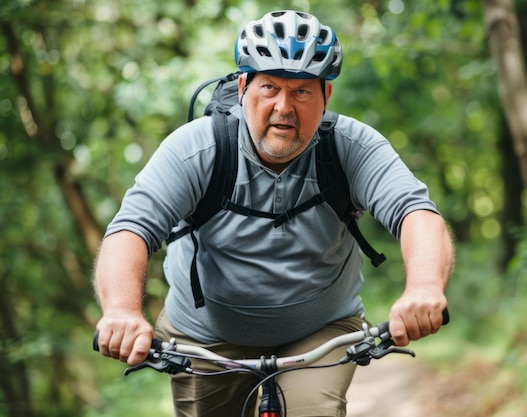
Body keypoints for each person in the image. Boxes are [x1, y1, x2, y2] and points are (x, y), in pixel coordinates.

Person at [93, 9, 453, 417]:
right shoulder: (196, 149)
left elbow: (415, 212)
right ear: (244, 87)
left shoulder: (351, 147)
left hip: (321, 338)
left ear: (325, 96)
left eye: (302, 91)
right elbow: (131, 230)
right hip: (205, 340)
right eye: (270, 87)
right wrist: (122, 311)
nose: (284, 106)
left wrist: (424, 287)